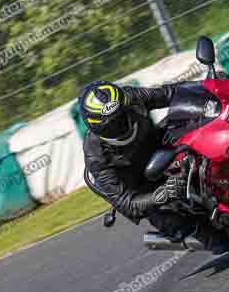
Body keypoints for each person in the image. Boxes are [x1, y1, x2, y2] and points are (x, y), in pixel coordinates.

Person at [79, 80, 206, 245]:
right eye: (112, 125)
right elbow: (127, 204)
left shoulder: (131, 97)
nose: (121, 125)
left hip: (158, 145)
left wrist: (205, 85)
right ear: (97, 129)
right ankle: (185, 230)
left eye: (122, 116)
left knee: (191, 123)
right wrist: (164, 193)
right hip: (141, 185)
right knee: (198, 231)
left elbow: (169, 93)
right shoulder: (96, 156)